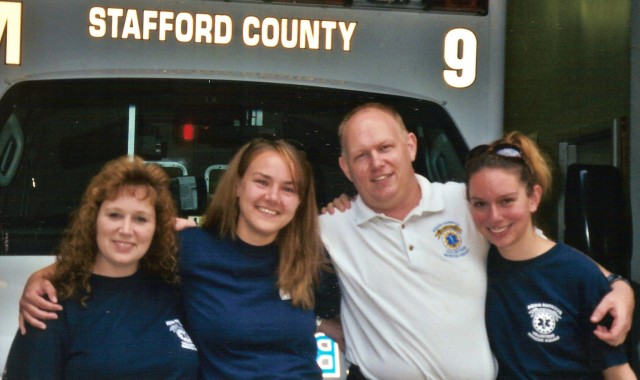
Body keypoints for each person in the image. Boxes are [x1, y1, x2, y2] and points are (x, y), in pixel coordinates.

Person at [318, 103, 634, 379]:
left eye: (385, 147)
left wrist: (617, 285)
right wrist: (320, 323)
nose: (377, 163)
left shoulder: (470, 202)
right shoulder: (331, 226)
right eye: (362, 155)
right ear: (346, 167)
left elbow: (542, 253)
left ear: (410, 146)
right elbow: (272, 280)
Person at [17, 138, 326, 379]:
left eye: (289, 188)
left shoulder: (312, 258)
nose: (273, 196)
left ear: (301, 201)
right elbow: (116, 252)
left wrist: (328, 326)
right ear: (237, 185)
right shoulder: (191, 247)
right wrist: (43, 276)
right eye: (262, 181)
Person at [5, 156, 199, 379]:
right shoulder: (49, 305)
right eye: (114, 215)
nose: (126, 229)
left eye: (141, 219)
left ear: (157, 228)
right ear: (93, 219)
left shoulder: (172, 290)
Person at [465, 132, 636, 379]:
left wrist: (622, 287)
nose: (494, 217)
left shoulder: (577, 273)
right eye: (480, 204)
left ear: (533, 198)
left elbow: (618, 372)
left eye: (507, 201)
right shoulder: (475, 265)